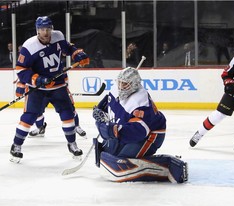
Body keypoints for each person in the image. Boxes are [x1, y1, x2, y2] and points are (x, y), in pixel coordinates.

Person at [10, 16, 90, 163]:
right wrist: (38, 79)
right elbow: (21, 70)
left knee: (67, 115)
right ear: (37, 30)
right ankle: (16, 145)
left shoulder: (58, 36)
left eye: (47, 29)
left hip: (58, 85)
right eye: (42, 30)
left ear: (51, 29)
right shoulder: (29, 46)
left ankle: (72, 144)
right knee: (29, 117)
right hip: (38, 89)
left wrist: (77, 54)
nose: (45, 33)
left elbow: (68, 48)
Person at [92, 67, 188, 183]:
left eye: (125, 84)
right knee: (111, 154)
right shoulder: (116, 88)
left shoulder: (141, 103)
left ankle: (168, 165)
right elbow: (107, 102)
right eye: (120, 83)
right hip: (128, 129)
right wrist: (99, 110)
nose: (121, 86)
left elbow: (137, 132)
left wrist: (111, 131)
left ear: (134, 85)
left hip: (150, 135)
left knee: (123, 162)